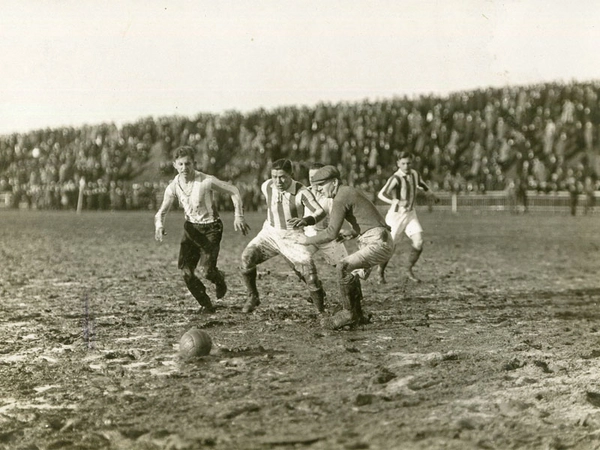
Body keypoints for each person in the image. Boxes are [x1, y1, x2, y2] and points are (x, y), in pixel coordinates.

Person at [295, 165, 394, 330]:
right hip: (379, 238)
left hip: (377, 242)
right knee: (351, 271)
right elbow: (372, 219)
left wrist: (306, 239)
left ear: (334, 182)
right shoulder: (348, 191)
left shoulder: (340, 197)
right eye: (316, 186)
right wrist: (353, 232)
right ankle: (358, 314)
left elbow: (330, 233)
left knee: (343, 267)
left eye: (321, 185)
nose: (318, 190)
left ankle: (348, 314)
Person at [154, 146, 250, 313]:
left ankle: (219, 279)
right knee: (186, 273)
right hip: (191, 229)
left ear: (195, 163)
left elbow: (233, 190)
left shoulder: (206, 181)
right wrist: (159, 226)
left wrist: (239, 216)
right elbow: (161, 212)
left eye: (188, 164)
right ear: (175, 165)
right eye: (181, 164)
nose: (185, 168)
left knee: (206, 271)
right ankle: (205, 303)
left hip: (211, 227)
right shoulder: (173, 187)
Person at [240, 159, 327, 314]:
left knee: (310, 276)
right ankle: (253, 296)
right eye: (274, 176)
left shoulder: (301, 192)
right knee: (247, 258)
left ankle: (321, 312)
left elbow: (320, 211)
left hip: (292, 236)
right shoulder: (267, 186)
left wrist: (306, 220)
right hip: (270, 233)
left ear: (291, 175)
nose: (278, 181)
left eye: (282, 177)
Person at [376, 151, 438, 284]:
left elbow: (422, 184)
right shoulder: (396, 178)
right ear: (398, 164)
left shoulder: (415, 174)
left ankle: (408, 270)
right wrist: (397, 201)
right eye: (403, 163)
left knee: (419, 242)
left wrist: (431, 194)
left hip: (410, 214)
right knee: (389, 247)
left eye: (408, 163)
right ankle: (380, 272)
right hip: (396, 216)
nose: (406, 166)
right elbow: (381, 194)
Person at [305, 162, 349, 266]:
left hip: (327, 235)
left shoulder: (331, 195)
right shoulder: (304, 192)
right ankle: (313, 281)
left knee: (345, 266)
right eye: (310, 177)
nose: (312, 180)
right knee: (296, 259)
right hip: (309, 234)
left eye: (316, 177)